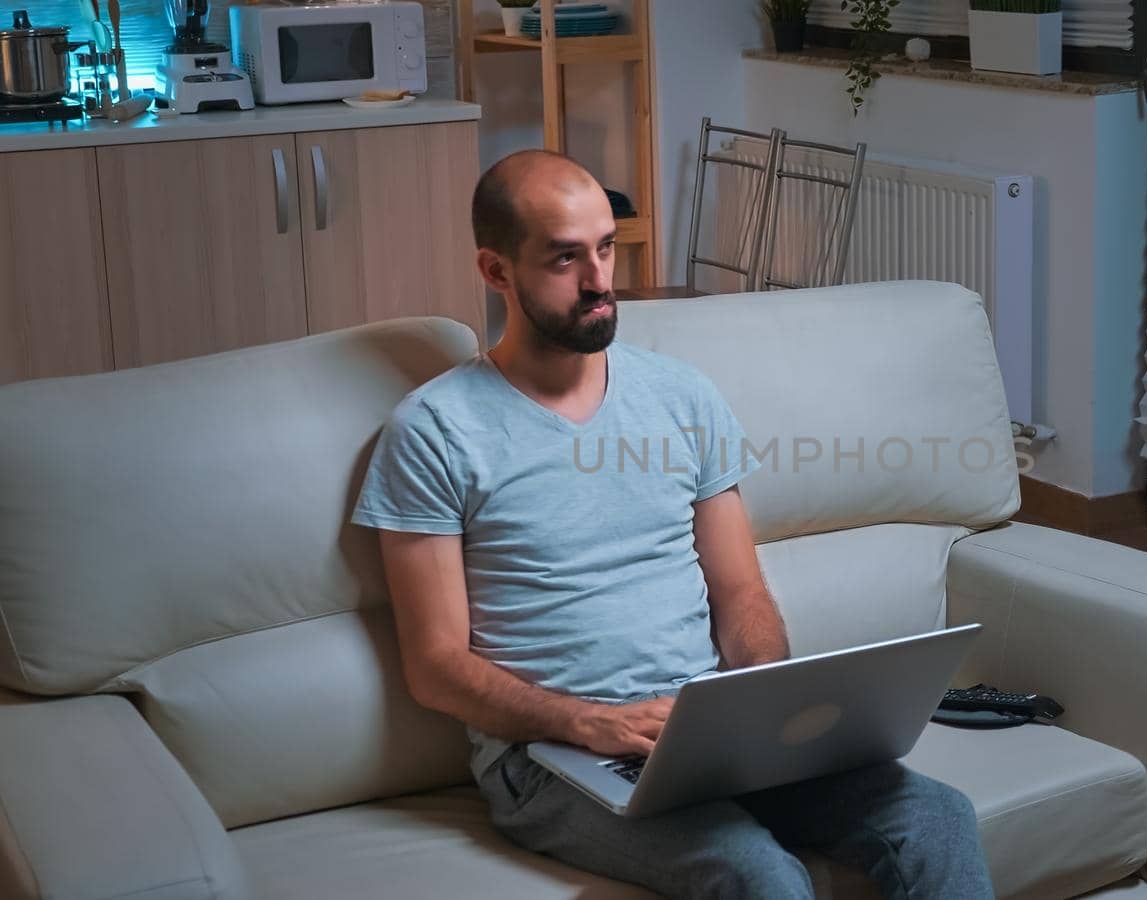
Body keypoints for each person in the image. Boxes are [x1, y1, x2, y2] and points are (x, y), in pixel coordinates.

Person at [351, 149, 994, 900]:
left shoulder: (681, 396)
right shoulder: (433, 431)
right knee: (757, 874)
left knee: (939, 818)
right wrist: (587, 724)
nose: (598, 281)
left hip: (710, 736)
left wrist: (762, 704)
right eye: (565, 258)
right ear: (496, 271)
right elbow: (435, 667)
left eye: (604, 248)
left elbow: (741, 592)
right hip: (551, 757)